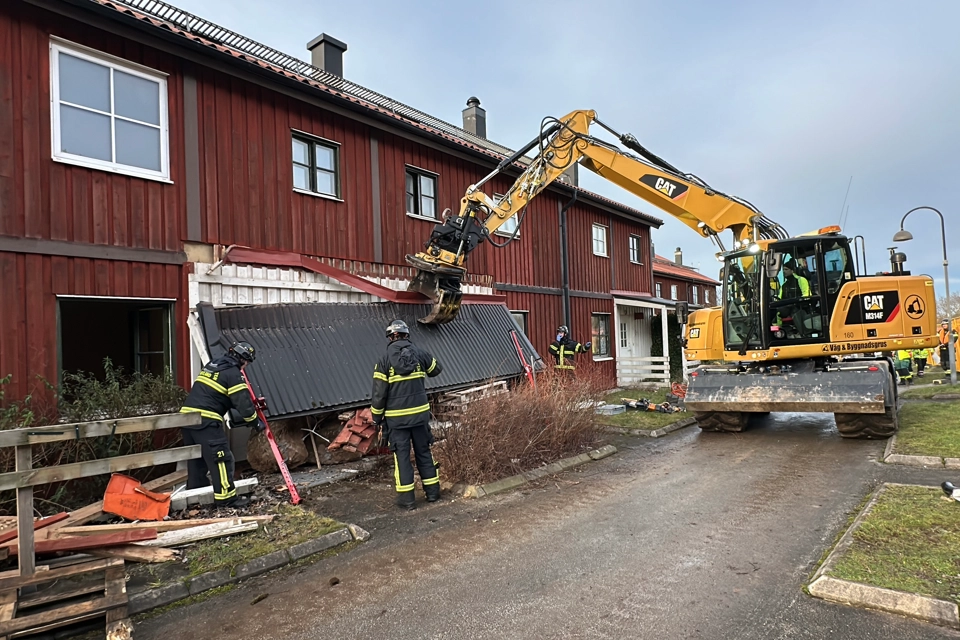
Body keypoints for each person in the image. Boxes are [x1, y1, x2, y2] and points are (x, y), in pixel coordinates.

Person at [179, 342, 263, 508]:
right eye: (247, 362)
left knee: (197, 461)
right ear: (243, 360)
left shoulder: (213, 365)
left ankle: (196, 497)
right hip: (206, 420)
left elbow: (217, 394)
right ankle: (227, 499)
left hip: (187, 419)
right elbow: (243, 403)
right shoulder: (233, 373)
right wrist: (255, 422)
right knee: (221, 459)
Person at [371, 320, 443, 510]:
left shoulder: (384, 361)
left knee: (402, 458)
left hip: (397, 421)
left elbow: (379, 395)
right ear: (407, 335)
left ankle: (407, 500)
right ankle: (433, 494)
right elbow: (436, 369)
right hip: (420, 417)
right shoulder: (420, 354)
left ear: (390, 337)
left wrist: (376, 418)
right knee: (424, 452)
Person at [776, 260, 812, 336]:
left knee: (793, 311)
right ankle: (778, 332)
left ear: (792, 270)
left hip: (799, 307)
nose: (784, 271)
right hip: (787, 308)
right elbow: (779, 298)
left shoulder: (801, 280)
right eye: (783, 270)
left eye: (786, 269)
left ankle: (803, 333)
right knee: (775, 311)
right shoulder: (784, 285)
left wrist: (795, 302)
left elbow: (806, 295)